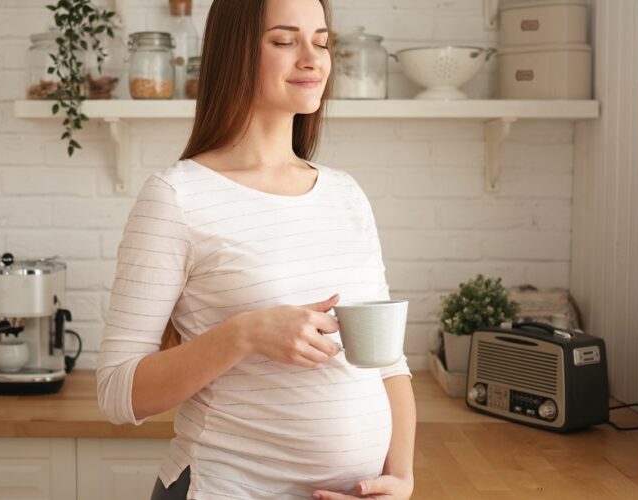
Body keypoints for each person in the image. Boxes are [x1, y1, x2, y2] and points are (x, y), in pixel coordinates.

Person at [95, 0, 416, 498]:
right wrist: (243, 334)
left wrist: (401, 477)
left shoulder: (345, 194)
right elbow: (118, 394)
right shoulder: (177, 196)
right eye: (285, 41)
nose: (312, 58)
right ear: (236, 53)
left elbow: (388, 362)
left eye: (323, 41)